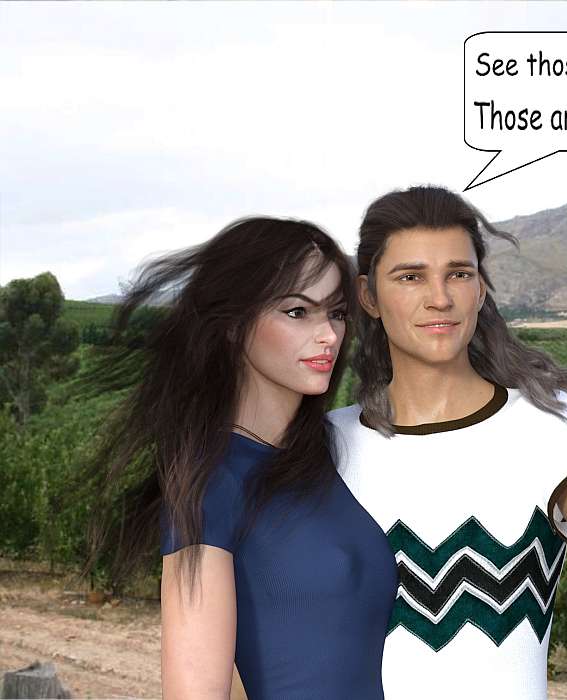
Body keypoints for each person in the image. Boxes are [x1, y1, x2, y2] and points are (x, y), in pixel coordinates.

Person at [327, 186, 567, 700]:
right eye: (410, 277)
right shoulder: (325, 445)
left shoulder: (549, 424)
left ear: (481, 290)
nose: (440, 297)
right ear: (369, 297)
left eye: (459, 274)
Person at [79, 217, 397, 699]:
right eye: (297, 312)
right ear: (231, 325)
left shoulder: (334, 456)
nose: (329, 335)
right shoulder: (212, 485)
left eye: (335, 313)